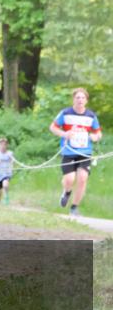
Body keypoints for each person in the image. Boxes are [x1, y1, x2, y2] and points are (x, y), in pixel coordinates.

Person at [50, 87, 102, 217]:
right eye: (78, 97)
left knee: (82, 179)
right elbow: (53, 127)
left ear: (86, 100)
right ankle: (67, 192)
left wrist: (95, 137)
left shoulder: (91, 116)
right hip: (68, 151)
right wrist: (64, 133)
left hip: (85, 152)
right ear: (73, 99)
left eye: (83, 98)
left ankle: (74, 207)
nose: (80, 100)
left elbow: (98, 132)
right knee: (69, 179)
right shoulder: (66, 113)